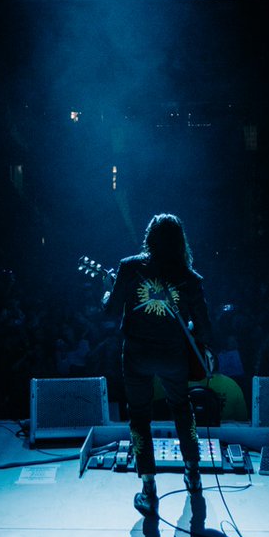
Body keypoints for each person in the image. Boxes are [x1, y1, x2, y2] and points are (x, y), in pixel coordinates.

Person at [103, 213, 213, 517]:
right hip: (173, 357)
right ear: (180, 242)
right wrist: (185, 324)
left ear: (149, 236)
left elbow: (110, 312)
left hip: (137, 355)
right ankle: (193, 474)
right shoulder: (191, 279)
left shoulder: (129, 267)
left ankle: (149, 489)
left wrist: (106, 291)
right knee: (182, 408)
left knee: (139, 417)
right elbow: (205, 330)